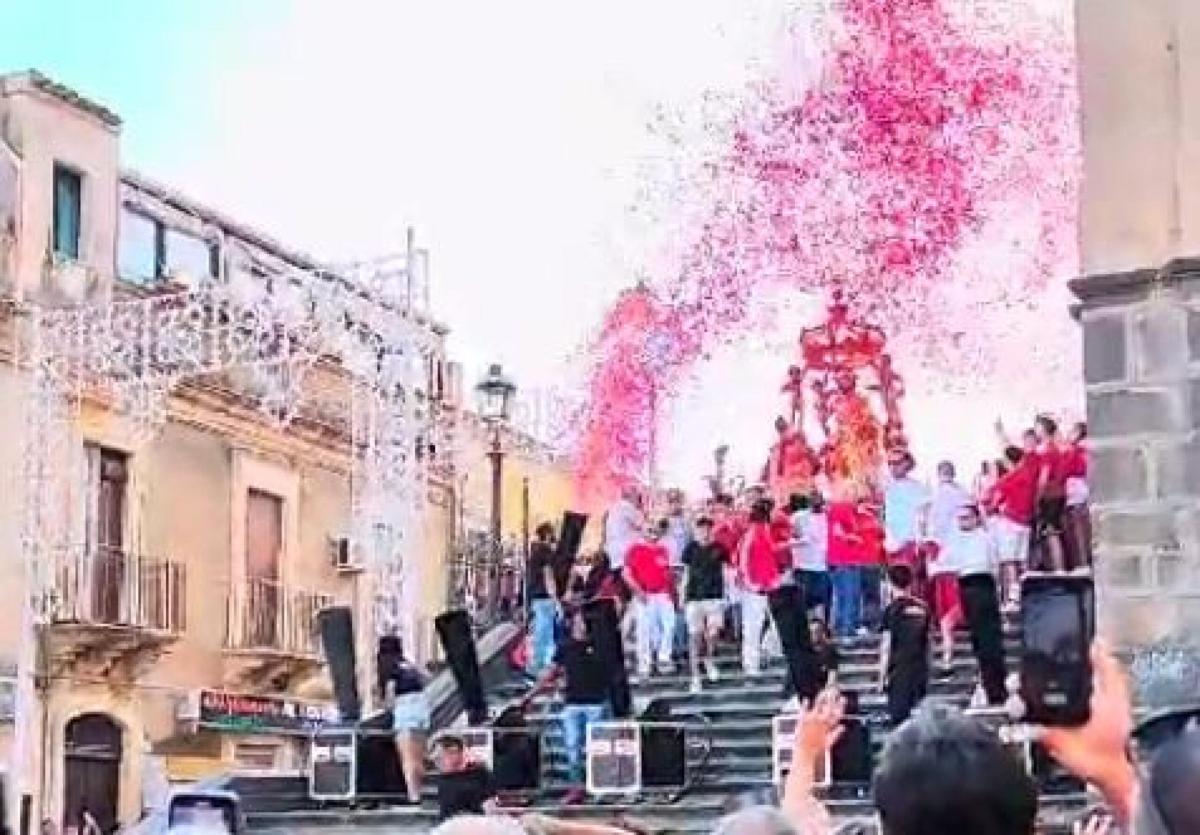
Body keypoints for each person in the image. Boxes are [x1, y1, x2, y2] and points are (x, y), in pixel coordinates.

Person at [523, 607, 611, 803]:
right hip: (572, 704)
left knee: (597, 748)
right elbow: (550, 672)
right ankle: (576, 787)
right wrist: (530, 695)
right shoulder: (565, 647)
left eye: (583, 622)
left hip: (596, 703)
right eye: (577, 622)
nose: (579, 626)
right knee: (572, 748)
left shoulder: (601, 644)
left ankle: (599, 787)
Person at [946, 503, 1007, 706]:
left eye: (966, 518)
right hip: (967, 585)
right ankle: (990, 685)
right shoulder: (957, 540)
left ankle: (995, 689)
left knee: (988, 639)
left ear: (975, 519)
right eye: (960, 518)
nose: (962, 522)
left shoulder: (985, 537)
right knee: (980, 640)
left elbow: (994, 564)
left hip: (981, 584)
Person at [925, 461, 970, 676]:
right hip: (962, 558)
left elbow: (933, 525)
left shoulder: (936, 496)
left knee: (946, 605)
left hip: (944, 556)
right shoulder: (963, 494)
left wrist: (932, 547)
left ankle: (947, 648)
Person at [877, 564, 931, 726]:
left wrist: (881, 676)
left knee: (899, 718)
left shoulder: (891, 610)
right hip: (919, 666)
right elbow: (929, 643)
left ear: (890, 582)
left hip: (898, 668)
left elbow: (886, 646)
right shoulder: (923, 607)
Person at [623, 519, 677, 677]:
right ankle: (644, 664)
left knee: (670, 625)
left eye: (655, 530)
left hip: (663, 594)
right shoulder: (635, 549)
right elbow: (626, 574)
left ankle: (663, 658)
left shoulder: (664, 550)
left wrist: (671, 590)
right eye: (649, 530)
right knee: (644, 630)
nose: (653, 533)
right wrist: (638, 591)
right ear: (643, 531)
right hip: (645, 595)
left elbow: (667, 573)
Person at [380, 637, 431, 805]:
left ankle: (413, 796)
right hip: (422, 708)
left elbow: (390, 698)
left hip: (405, 711)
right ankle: (419, 791)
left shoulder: (390, 667)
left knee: (407, 758)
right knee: (418, 757)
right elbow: (426, 678)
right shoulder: (408, 665)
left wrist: (387, 707)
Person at [737, 500, 784, 674]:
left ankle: (766, 649)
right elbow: (743, 560)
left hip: (770, 586)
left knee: (778, 622)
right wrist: (750, 583)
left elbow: (770, 555)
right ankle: (751, 664)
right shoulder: (751, 534)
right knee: (752, 627)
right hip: (754, 589)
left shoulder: (765, 532)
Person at [682, 515, 728, 693]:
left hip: (714, 596)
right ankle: (695, 676)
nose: (704, 532)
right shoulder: (690, 549)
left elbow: (726, 570)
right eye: (701, 529)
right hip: (694, 597)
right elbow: (686, 572)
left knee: (713, 632)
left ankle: (708, 658)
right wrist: (681, 594)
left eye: (707, 529)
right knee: (695, 636)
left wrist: (727, 594)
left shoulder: (720, 548)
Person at [993, 446, 1037, 609]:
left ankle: (1013, 599)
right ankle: (1026, 595)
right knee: (1022, 562)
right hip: (1026, 523)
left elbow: (993, 500)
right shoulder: (1030, 475)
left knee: (1009, 561)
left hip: (1010, 523)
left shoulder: (1009, 478)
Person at [883, 451, 930, 602]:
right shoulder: (884, 487)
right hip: (890, 543)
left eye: (897, 463)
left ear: (907, 464)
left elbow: (925, 516)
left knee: (912, 582)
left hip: (910, 542)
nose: (893, 467)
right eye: (890, 463)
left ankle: (915, 616)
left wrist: (920, 540)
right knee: (893, 583)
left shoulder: (918, 488)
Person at [1031, 414, 1069, 572]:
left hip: (1050, 494)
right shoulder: (1054, 448)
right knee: (1051, 531)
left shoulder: (1046, 450)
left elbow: (1044, 476)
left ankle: (1058, 567)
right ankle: (1056, 566)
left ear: (1043, 429)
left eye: (1037, 427)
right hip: (1058, 493)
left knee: (1051, 532)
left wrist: (1037, 496)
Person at [433, 734, 497, 820]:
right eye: (436, 758)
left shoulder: (481, 774)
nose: (436, 760)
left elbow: (489, 805)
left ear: (454, 752)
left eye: (440, 756)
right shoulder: (442, 779)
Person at [526, 521, 560, 676]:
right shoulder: (545, 550)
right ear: (548, 534)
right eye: (553, 533)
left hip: (536, 595)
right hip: (545, 596)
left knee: (541, 629)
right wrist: (554, 595)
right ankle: (541, 665)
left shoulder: (534, 550)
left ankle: (538, 664)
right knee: (545, 631)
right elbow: (548, 573)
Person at [792, 492, 831, 622]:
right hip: (804, 566)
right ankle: (806, 630)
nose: (816, 501)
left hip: (823, 566)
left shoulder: (828, 517)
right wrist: (800, 538)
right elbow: (791, 534)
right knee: (805, 602)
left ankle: (821, 630)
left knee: (822, 601)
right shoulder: (799, 517)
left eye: (819, 498)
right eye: (813, 498)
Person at [1063, 421, 1092, 569]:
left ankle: (1083, 564)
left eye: (1072, 432)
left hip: (1076, 495)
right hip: (1085, 492)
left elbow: (1066, 469)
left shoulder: (1076, 450)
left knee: (1079, 532)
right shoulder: (1088, 449)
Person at [603, 486, 644, 572]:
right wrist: (640, 509)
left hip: (617, 551)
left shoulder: (616, 507)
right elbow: (642, 525)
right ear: (631, 496)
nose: (640, 498)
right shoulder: (627, 507)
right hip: (625, 552)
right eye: (638, 495)